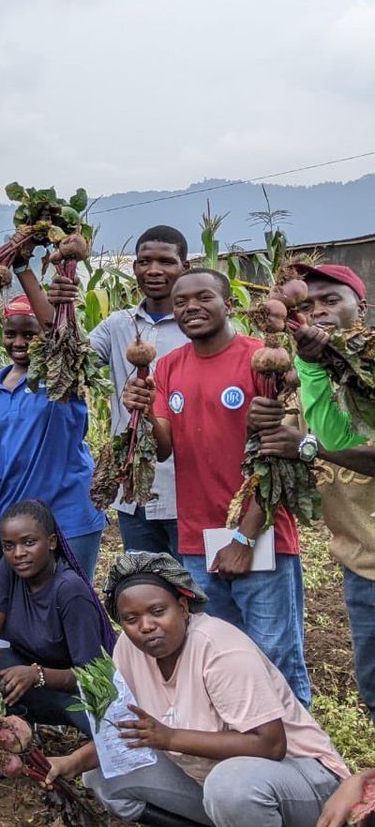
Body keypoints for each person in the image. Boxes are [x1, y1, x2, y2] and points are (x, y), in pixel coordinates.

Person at [46, 552, 347, 827]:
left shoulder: (219, 650)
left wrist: (171, 738)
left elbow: (271, 745)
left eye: (157, 611)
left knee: (229, 787)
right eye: (131, 619)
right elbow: (125, 733)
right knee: (106, 775)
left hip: (302, 782)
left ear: (183, 606)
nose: (146, 626)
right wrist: (72, 761)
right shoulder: (129, 648)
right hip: (212, 782)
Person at [122, 269, 311, 706]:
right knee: (222, 651)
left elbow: (277, 462)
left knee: (274, 652)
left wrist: (244, 537)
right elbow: (165, 449)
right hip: (197, 537)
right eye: (181, 301)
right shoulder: (168, 366)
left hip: (260, 533)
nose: (190, 307)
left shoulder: (262, 358)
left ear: (229, 302)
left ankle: (303, 757)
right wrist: (146, 411)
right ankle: (243, 744)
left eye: (203, 297)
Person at [251, 263, 375, 719]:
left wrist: (306, 447)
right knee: (374, 689)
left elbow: (335, 449)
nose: (317, 313)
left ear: (360, 307)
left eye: (330, 301)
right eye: (305, 305)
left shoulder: (368, 365)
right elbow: (279, 442)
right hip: (361, 559)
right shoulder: (297, 376)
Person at [48, 225, 190, 557]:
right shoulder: (118, 325)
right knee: (146, 591)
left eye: (166, 261)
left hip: (189, 491)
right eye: (144, 261)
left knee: (196, 597)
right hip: (134, 491)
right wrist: (58, 307)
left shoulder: (199, 326)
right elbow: (71, 362)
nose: (153, 270)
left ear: (185, 267)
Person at [0, 500, 115, 736]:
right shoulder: (11, 570)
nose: (18, 553)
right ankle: (19, 734)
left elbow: (95, 677)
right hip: (34, 677)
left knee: (109, 733)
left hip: (78, 690)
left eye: (29, 543)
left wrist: (37, 675)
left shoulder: (70, 590)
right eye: (9, 546)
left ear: (51, 542)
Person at [0, 290, 107, 578]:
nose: (19, 343)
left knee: (72, 601)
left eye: (29, 335)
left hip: (68, 516)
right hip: (13, 519)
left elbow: (61, 339)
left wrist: (23, 267)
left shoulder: (60, 379)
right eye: (11, 333)